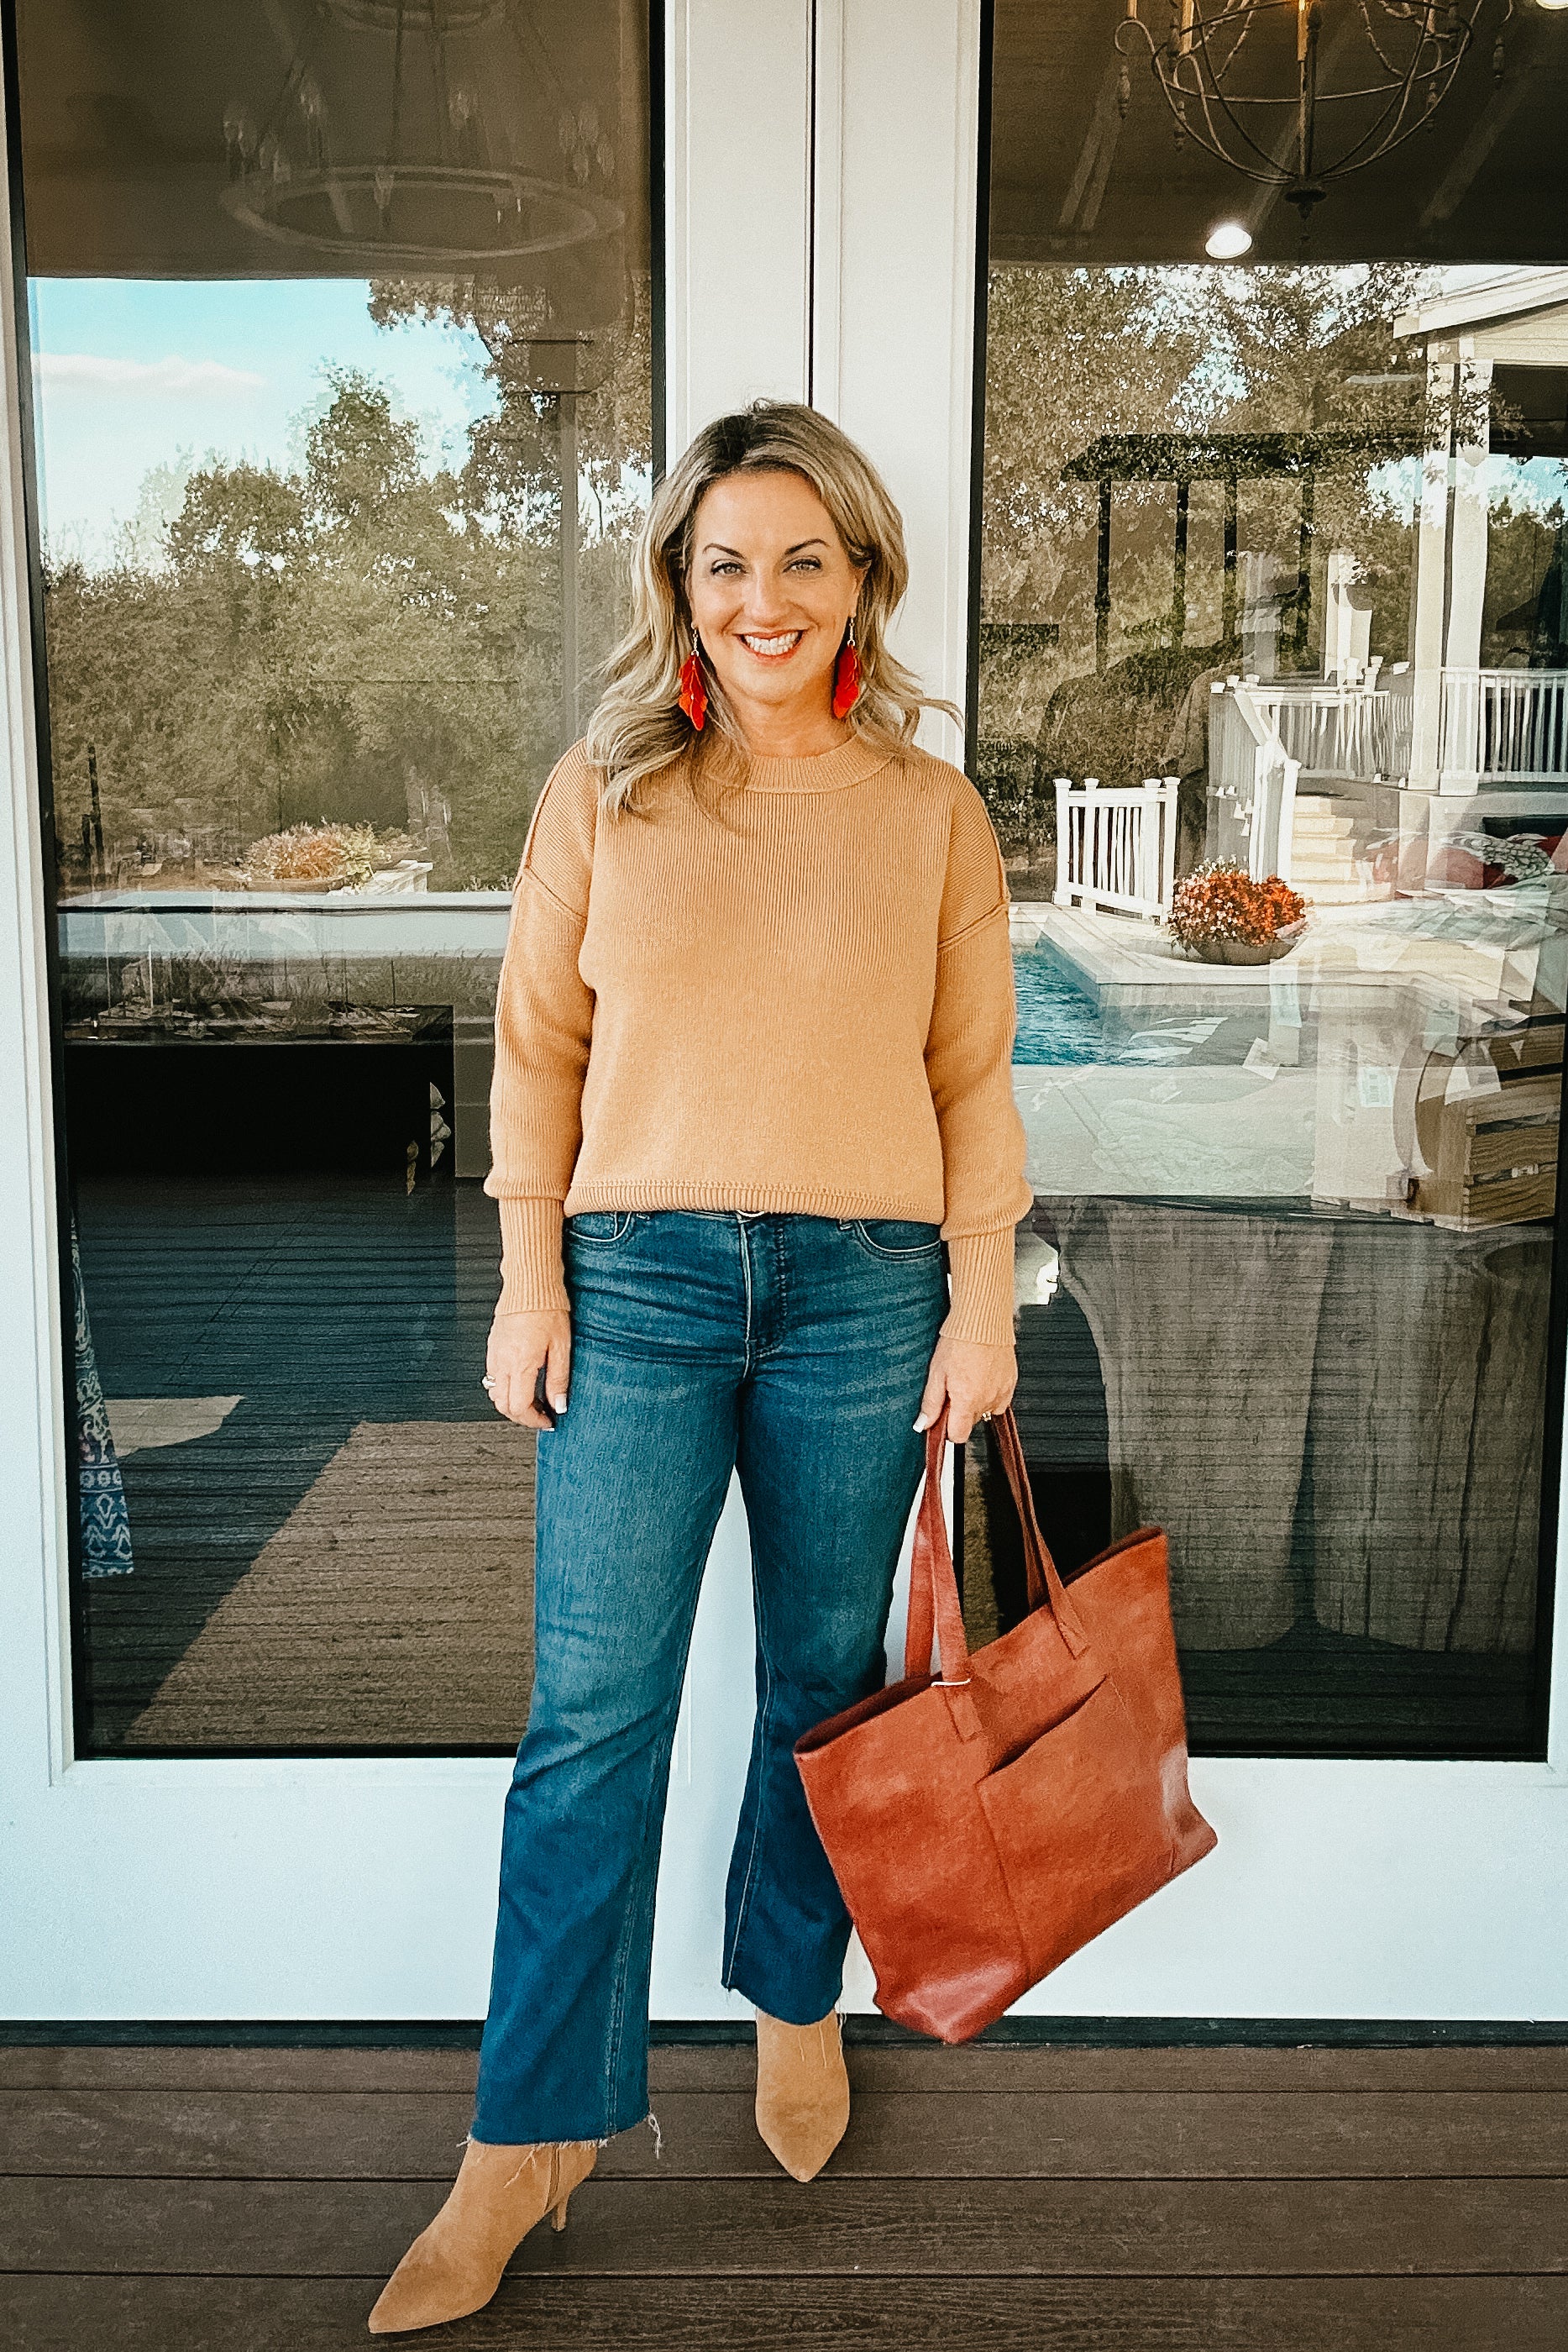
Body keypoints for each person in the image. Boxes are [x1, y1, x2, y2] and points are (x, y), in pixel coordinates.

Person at [369, 400, 1030, 2334]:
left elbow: (972, 1077)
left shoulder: (931, 811)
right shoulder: (604, 790)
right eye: (725, 561)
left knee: (824, 1686)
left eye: (802, 559)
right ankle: (528, 2133)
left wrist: (979, 1307)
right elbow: (534, 1053)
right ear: (680, 582)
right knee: (592, 1715)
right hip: (636, 1283)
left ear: (861, 580)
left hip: (865, 1290)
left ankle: (791, 1995)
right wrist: (528, 1278)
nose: (763, 598)